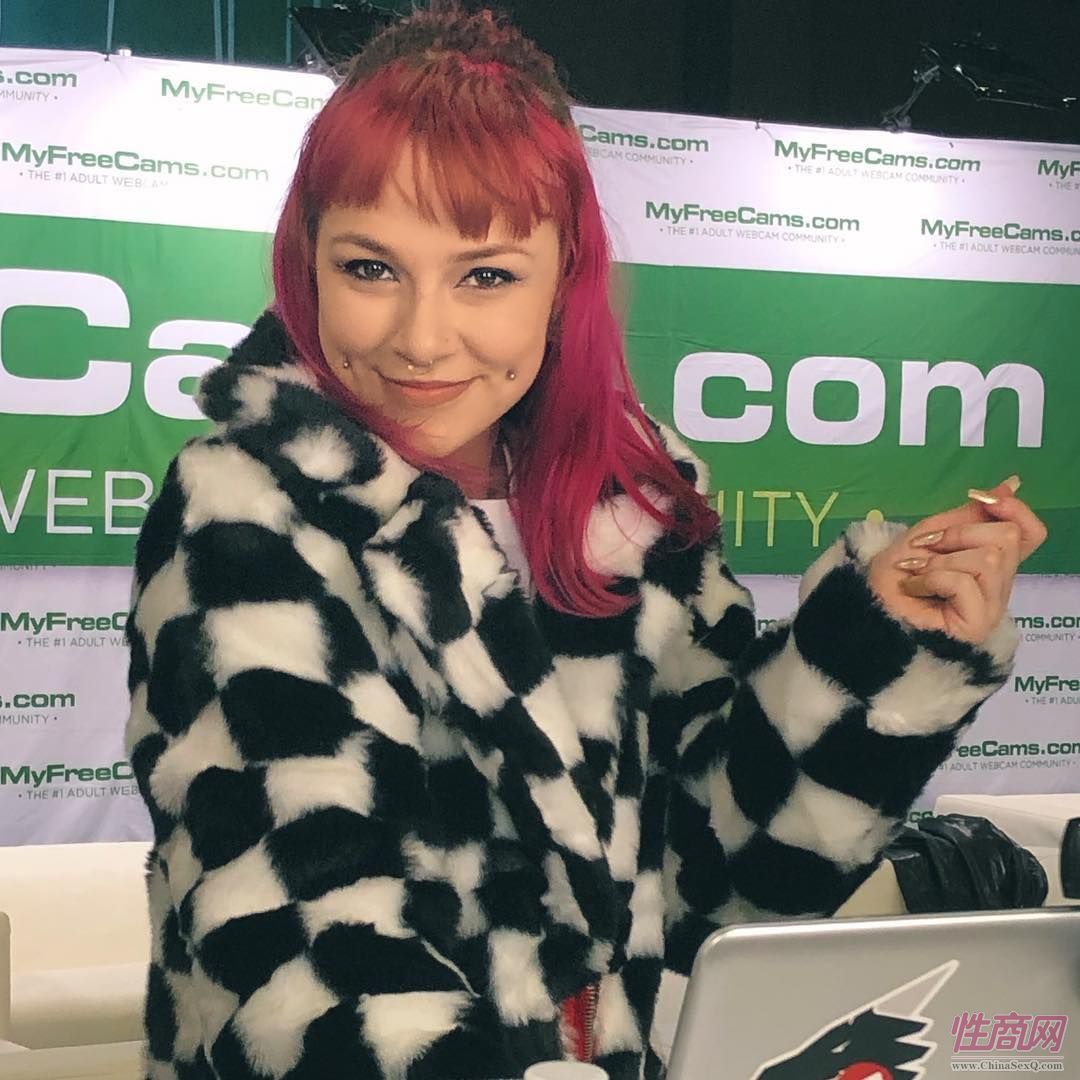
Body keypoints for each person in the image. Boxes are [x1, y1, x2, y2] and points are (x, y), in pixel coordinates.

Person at [124, 5, 1047, 1079]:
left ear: (564, 279)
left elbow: (724, 883)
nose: (422, 337)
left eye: (486, 275)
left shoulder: (638, 503)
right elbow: (298, 933)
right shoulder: (244, 506)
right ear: (308, 263)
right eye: (370, 268)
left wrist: (880, 640)